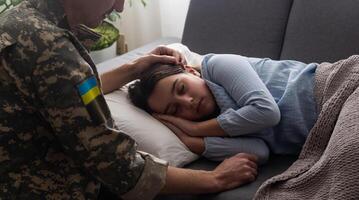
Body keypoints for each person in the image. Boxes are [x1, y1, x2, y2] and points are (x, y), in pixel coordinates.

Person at [0, 0, 259, 199]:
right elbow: (119, 168)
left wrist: (134, 68)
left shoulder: (18, 20)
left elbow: (67, 97)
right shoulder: (53, 51)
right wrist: (216, 179)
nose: (120, 7)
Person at [128, 53, 318, 164]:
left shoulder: (217, 64)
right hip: (323, 133)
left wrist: (194, 130)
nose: (188, 102)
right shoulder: (214, 126)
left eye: (182, 88)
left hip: (328, 90)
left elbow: (267, 112)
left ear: (190, 71)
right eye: (175, 110)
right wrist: (190, 140)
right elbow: (260, 152)